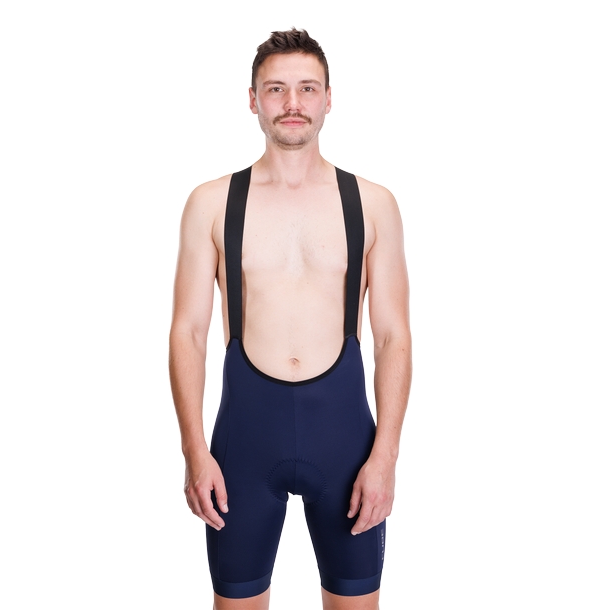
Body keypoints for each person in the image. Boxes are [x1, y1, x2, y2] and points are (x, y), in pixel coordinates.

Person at [169, 28, 412, 610]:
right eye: (276, 89)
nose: (293, 102)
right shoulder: (211, 202)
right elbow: (188, 333)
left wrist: (385, 457)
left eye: (307, 88)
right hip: (244, 442)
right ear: (253, 100)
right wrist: (194, 451)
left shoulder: (373, 203)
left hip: (346, 442)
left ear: (329, 98)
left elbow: (392, 336)